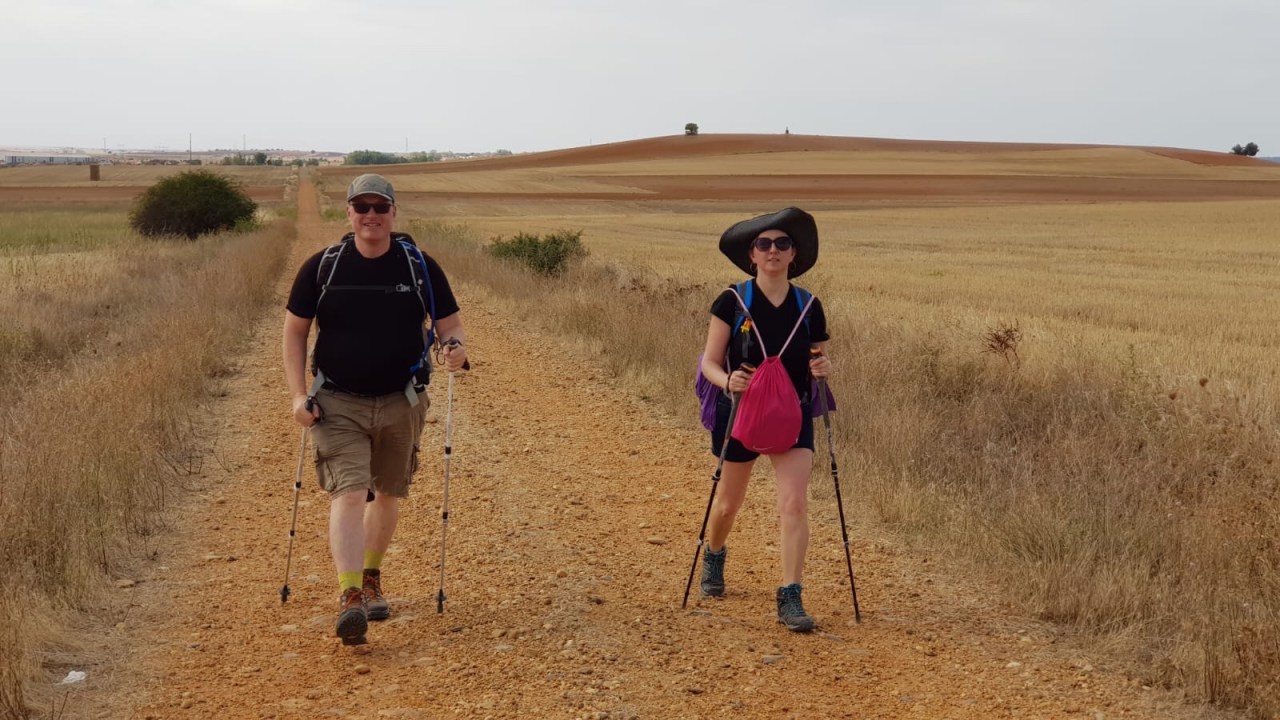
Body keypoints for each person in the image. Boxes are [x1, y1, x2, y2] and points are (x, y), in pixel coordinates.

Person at [283, 173, 468, 644]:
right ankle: (349, 597)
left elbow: (448, 324)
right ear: (348, 212)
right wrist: (298, 395)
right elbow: (295, 332)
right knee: (349, 492)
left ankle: (370, 578)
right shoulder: (322, 267)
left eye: (380, 207)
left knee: (386, 492)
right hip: (336, 401)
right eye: (362, 207)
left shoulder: (419, 266)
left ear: (393, 212)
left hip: (401, 399)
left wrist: (455, 348)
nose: (371, 215)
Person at [697, 207, 830, 632]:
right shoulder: (732, 301)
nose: (773, 250)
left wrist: (823, 368)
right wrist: (726, 381)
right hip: (740, 412)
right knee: (728, 504)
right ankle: (714, 554)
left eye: (782, 243)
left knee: (794, 504)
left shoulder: (809, 306)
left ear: (794, 254)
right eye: (764, 244)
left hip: (792, 413)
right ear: (752, 255)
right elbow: (709, 362)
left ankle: (791, 594)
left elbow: (817, 357)